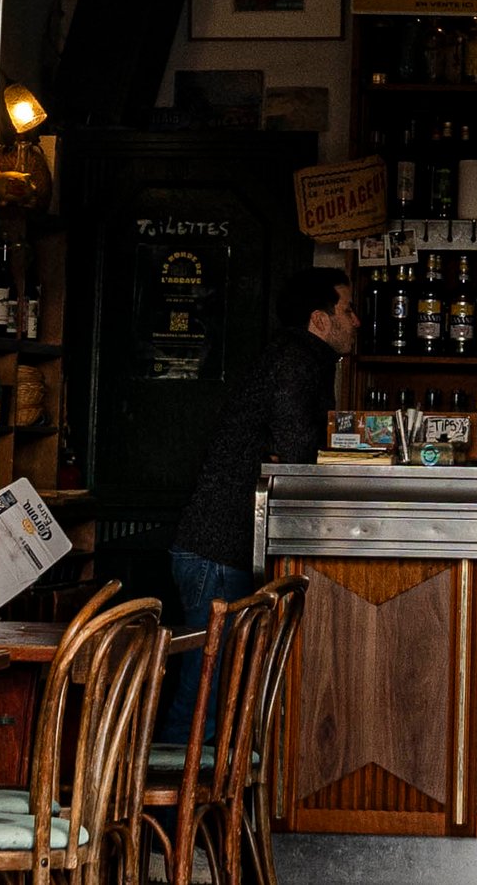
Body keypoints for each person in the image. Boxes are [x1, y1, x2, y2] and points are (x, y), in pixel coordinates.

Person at [163, 261, 357, 732]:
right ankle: (171, 807)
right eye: (347, 310)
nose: (355, 322)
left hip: (217, 550)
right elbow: (297, 453)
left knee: (211, 700)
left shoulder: (301, 358)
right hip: (217, 553)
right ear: (319, 319)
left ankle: (189, 804)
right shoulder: (296, 361)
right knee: (202, 707)